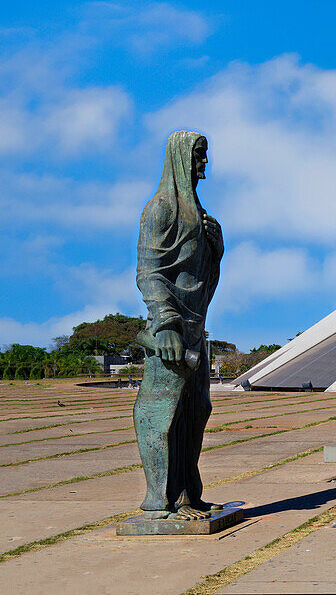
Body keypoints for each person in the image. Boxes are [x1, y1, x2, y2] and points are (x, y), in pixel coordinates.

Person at [134, 130, 224, 520]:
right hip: (169, 333)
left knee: (196, 410)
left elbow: (199, 277)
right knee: (161, 412)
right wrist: (165, 323)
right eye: (200, 155)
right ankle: (160, 500)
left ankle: (187, 493)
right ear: (181, 157)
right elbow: (149, 272)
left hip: (195, 329)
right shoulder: (160, 209)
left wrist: (216, 248)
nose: (205, 163)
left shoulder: (200, 213)